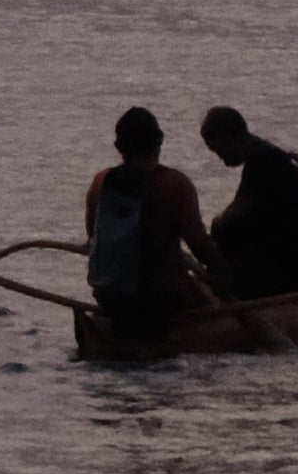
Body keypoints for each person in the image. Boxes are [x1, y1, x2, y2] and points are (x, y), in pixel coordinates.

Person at [83, 106, 217, 340]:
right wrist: (224, 277)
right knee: (203, 291)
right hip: (160, 302)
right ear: (160, 140)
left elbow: (92, 236)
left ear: (119, 147)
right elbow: (200, 245)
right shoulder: (176, 184)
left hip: (109, 298)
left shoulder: (101, 183)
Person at [197, 105, 298, 296]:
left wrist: (212, 233)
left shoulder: (263, 161)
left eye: (218, 149)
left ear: (229, 137)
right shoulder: (265, 155)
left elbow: (233, 218)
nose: (221, 159)